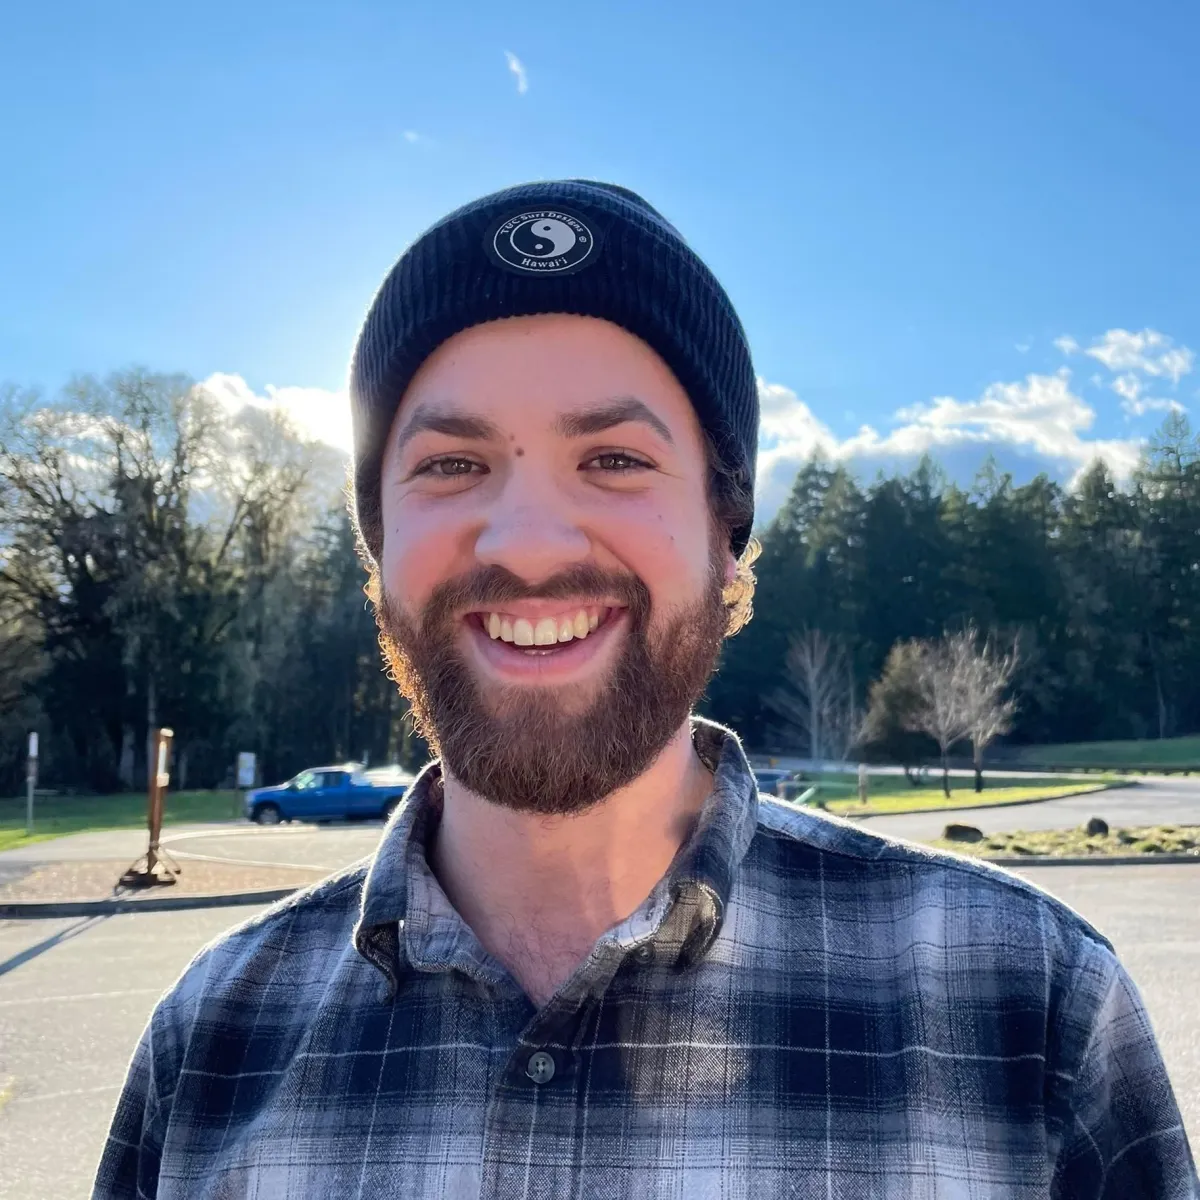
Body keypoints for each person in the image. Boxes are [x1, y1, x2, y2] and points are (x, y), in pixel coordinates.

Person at [94, 180, 1198, 1198]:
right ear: (377, 547)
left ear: (726, 535)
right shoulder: (211, 1048)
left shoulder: (1033, 1014)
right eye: (451, 464)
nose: (528, 542)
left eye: (615, 459)